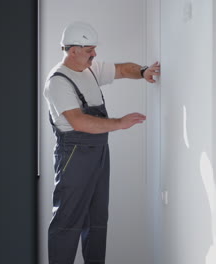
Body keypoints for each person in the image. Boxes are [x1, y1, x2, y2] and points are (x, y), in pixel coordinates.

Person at [43, 21, 160, 264]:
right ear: (72, 50)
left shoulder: (90, 69)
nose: (94, 54)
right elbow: (79, 122)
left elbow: (122, 69)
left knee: (96, 220)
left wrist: (143, 71)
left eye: (94, 49)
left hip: (98, 153)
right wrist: (119, 123)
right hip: (73, 155)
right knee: (68, 221)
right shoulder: (58, 82)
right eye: (89, 51)